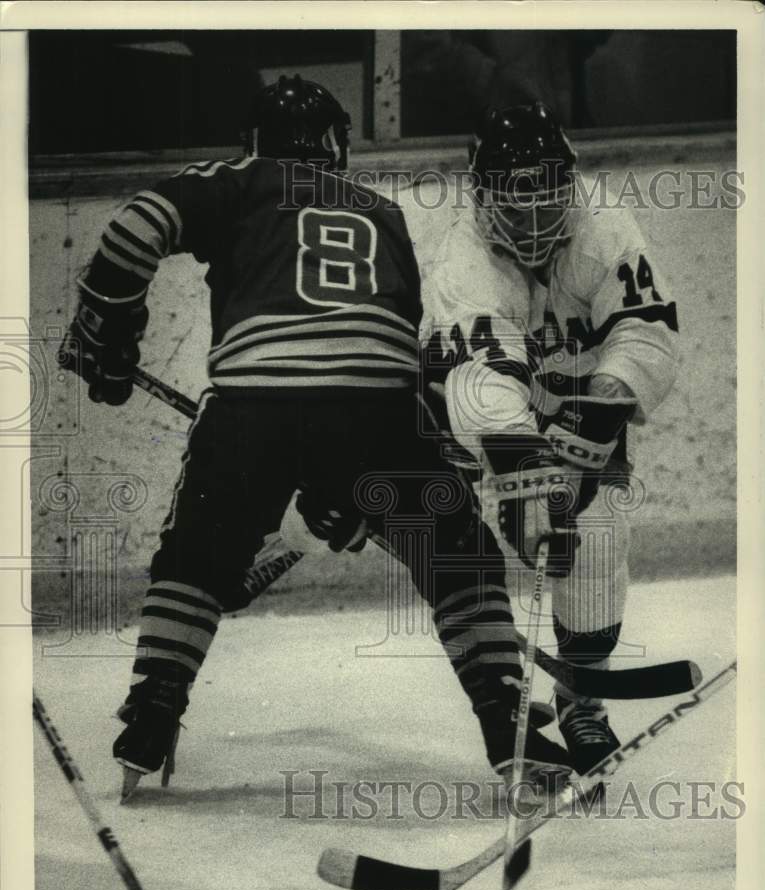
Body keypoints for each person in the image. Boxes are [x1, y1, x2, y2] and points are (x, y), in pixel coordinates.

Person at [60, 77, 572, 802]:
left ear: (255, 141)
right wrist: (360, 490)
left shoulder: (238, 180)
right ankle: (510, 726)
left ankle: (150, 715)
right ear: (336, 145)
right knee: (459, 556)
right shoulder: (382, 212)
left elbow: (138, 224)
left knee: (198, 559)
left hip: (250, 410)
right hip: (379, 413)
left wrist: (108, 329)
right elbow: (394, 356)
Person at [420, 101, 680, 774]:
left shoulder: (604, 227)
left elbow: (644, 333)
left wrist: (591, 424)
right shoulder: (463, 256)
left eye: (547, 199)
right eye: (517, 203)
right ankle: (500, 693)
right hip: (477, 410)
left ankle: (580, 702)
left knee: (593, 541)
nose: (536, 221)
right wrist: (525, 471)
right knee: (443, 532)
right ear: (482, 198)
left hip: (575, 396)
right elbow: (482, 375)